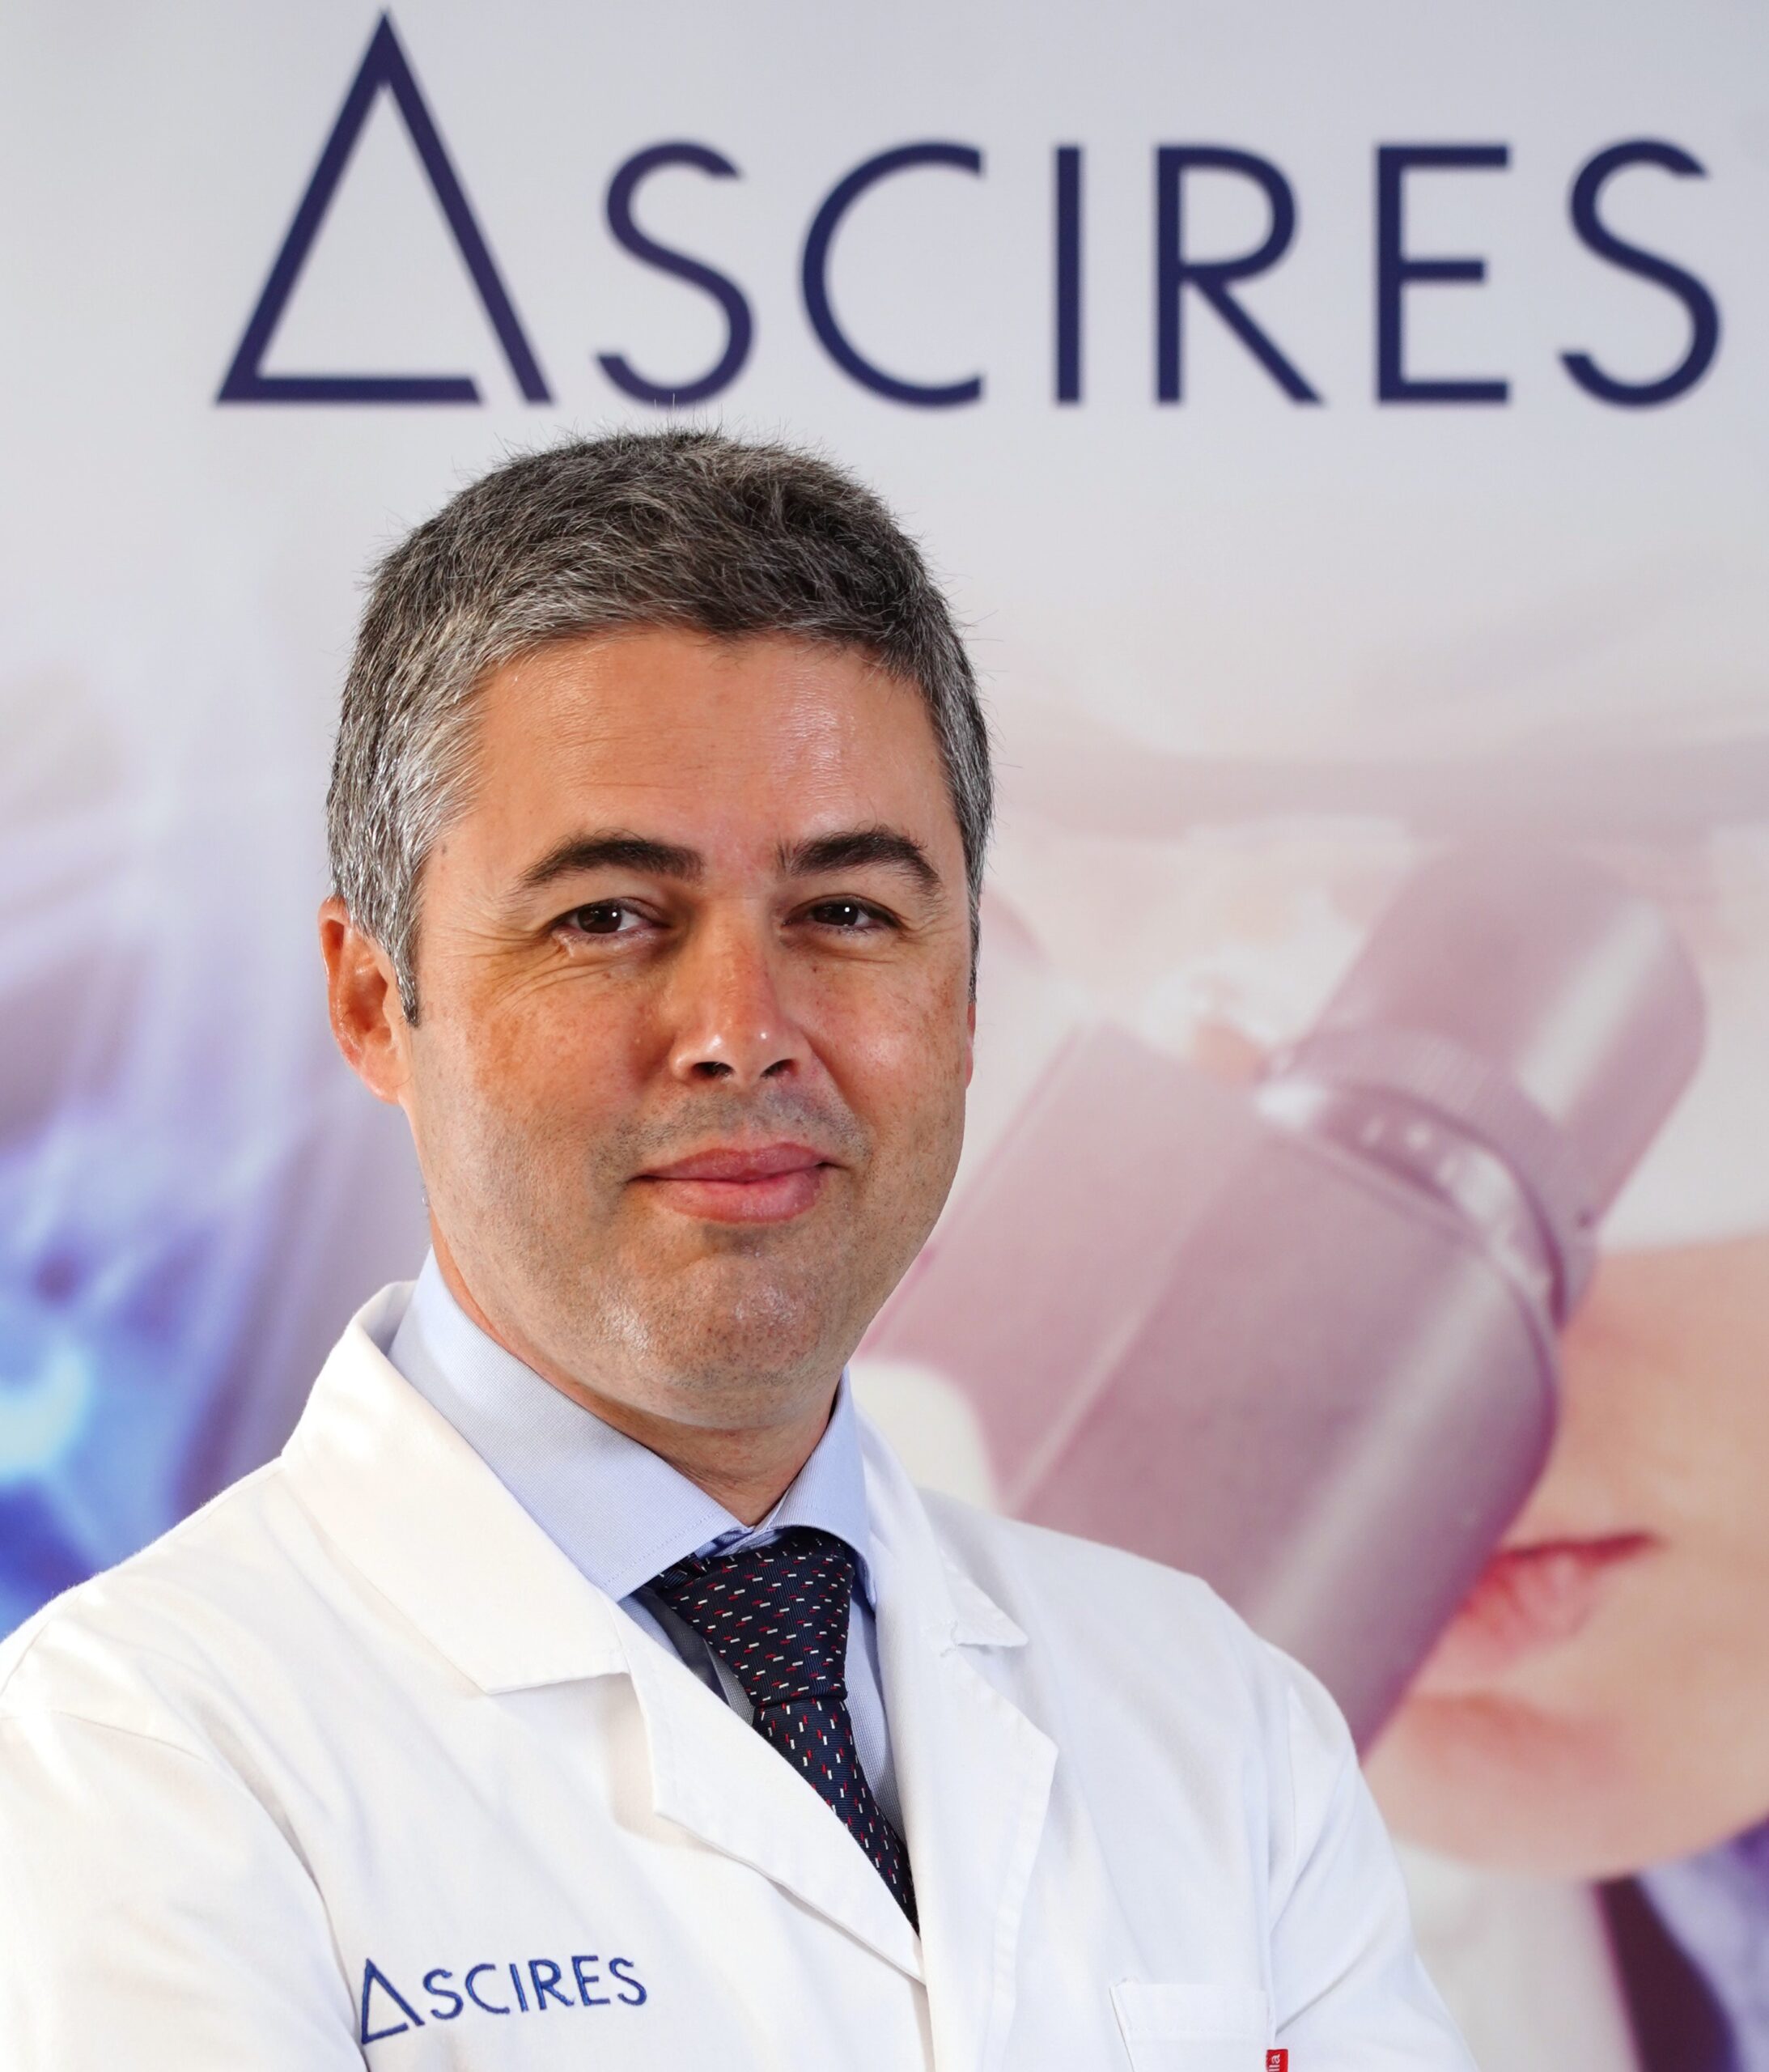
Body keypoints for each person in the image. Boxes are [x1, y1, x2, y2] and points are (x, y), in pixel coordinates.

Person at [0, 429, 1473, 2070]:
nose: (742, 1030)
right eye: (607, 917)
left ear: (966, 999)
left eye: (845, 912)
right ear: (369, 999)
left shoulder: (1218, 1722)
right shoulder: (140, 1750)